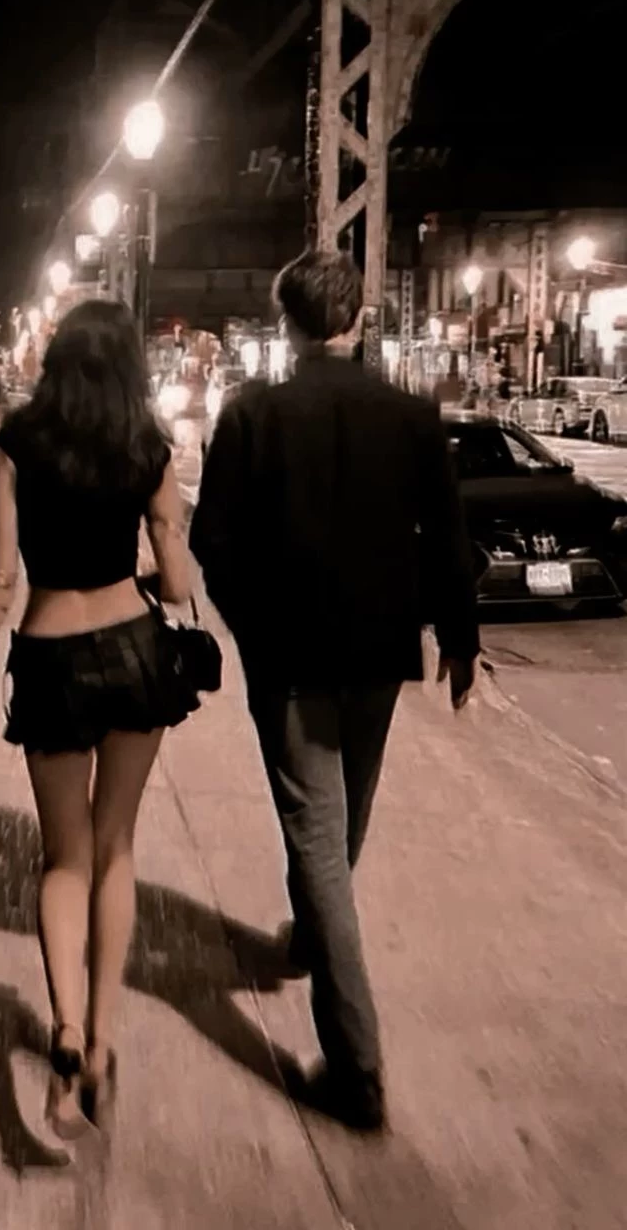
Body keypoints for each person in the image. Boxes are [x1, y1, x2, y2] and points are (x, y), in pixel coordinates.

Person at [190, 250, 479, 1133]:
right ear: (357, 319)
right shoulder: (412, 417)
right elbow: (447, 538)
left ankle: (357, 1068)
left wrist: (251, 628)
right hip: (381, 656)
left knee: (318, 838)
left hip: (292, 661)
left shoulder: (253, 416)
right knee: (343, 818)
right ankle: (315, 938)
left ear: (288, 324)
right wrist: (459, 640)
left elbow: (212, 543)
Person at [0, 299, 198, 1139]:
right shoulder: (147, 445)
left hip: (50, 658)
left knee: (63, 858)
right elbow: (177, 581)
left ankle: (63, 1027)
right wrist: (153, 567)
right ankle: (103, 1037)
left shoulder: (16, 441)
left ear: (55, 360)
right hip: (133, 652)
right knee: (116, 847)